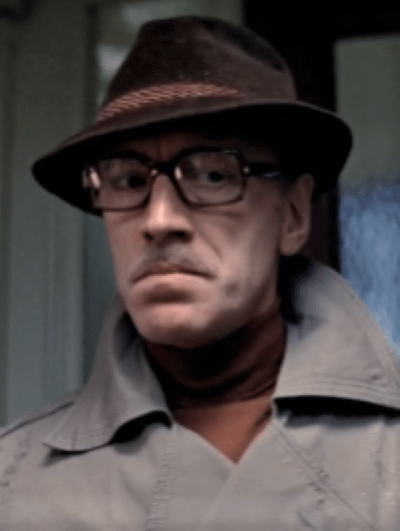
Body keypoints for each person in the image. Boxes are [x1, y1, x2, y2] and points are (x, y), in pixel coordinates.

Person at [1, 15, 399, 530]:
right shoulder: (14, 483)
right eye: (128, 181)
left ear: (294, 215)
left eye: (212, 174)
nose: (159, 219)